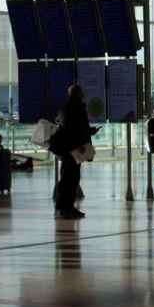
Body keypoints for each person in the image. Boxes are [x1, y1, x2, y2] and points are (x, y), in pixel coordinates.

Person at [55, 85, 98, 219]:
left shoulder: (64, 108)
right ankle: (67, 208)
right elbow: (75, 129)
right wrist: (87, 134)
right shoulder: (77, 108)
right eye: (81, 93)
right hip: (74, 149)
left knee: (67, 179)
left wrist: (87, 131)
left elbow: (67, 127)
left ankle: (63, 207)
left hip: (66, 149)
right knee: (71, 179)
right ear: (78, 94)